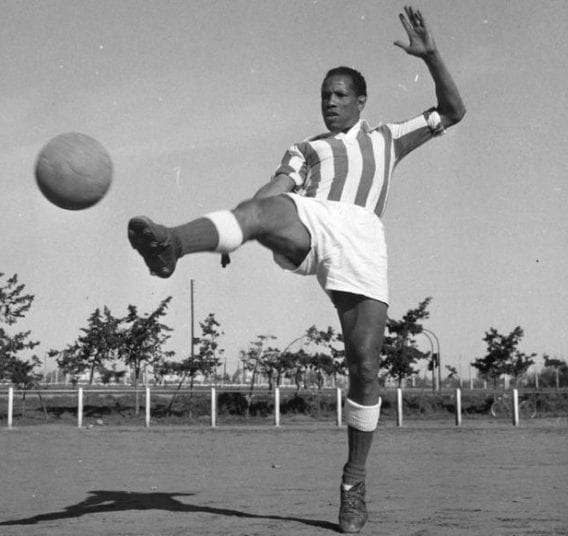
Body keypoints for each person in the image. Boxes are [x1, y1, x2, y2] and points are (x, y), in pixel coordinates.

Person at [128, 5, 464, 533]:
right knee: (263, 211)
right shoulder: (305, 149)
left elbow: (454, 110)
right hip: (310, 219)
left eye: (340, 95)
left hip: (361, 239)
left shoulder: (388, 138)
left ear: (360, 101)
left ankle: (354, 483)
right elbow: (272, 193)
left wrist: (432, 55)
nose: (330, 102)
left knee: (365, 368)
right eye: (325, 95)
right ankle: (173, 243)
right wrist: (238, 226)